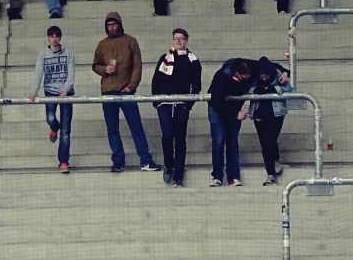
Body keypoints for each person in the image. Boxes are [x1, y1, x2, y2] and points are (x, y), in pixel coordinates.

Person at [92, 13, 158, 173]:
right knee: (112, 128)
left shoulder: (131, 41)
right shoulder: (102, 44)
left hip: (126, 91)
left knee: (136, 126)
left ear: (120, 24)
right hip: (108, 90)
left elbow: (137, 66)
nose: (112, 27)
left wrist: (132, 86)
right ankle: (118, 160)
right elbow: (95, 65)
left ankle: (146, 160)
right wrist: (104, 69)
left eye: (114, 24)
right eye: (109, 25)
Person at [150, 28, 201, 188]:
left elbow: (197, 85)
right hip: (164, 104)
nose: (179, 41)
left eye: (182, 38)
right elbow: (155, 80)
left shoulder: (193, 60)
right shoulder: (164, 59)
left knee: (180, 139)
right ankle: (169, 165)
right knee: (167, 135)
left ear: (187, 40)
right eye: (176, 38)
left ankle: (178, 174)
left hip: (182, 104)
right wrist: (157, 102)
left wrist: (188, 104)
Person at [28, 24, 76, 173]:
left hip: (66, 94)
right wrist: (33, 91)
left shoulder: (68, 53)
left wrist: (65, 91)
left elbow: (71, 74)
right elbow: (38, 74)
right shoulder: (43, 55)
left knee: (66, 130)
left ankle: (63, 162)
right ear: (48, 38)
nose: (54, 39)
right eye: (51, 36)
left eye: (56, 36)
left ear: (60, 38)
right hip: (50, 92)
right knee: (50, 117)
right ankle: (54, 127)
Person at [207, 57, 254, 186]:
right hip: (218, 110)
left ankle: (233, 176)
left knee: (232, 143)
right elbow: (215, 102)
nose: (247, 80)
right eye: (245, 77)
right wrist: (235, 114)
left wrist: (284, 72)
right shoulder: (221, 78)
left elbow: (268, 65)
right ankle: (217, 176)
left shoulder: (251, 68)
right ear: (237, 73)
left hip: (235, 108)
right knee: (219, 142)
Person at [250, 56, 292, 186]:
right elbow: (250, 90)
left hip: (276, 113)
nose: (263, 78)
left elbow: (288, 89)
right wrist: (260, 90)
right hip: (258, 114)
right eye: (261, 76)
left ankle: (276, 158)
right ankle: (270, 175)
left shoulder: (279, 74)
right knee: (264, 144)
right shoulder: (252, 76)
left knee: (269, 141)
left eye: (266, 76)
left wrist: (272, 89)